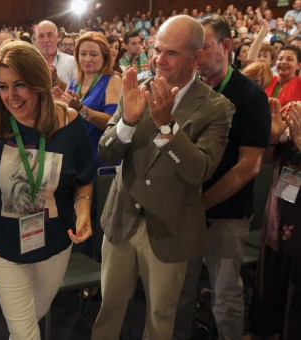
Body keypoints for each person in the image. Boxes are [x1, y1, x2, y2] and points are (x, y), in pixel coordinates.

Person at [92, 15, 235, 339]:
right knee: (109, 309)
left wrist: (168, 127)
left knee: (160, 318)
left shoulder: (217, 108)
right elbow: (106, 152)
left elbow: (200, 170)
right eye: (157, 49)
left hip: (170, 229)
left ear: (196, 57)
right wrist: (127, 121)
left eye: (171, 53)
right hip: (122, 220)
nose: (158, 59)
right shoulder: (137, 90)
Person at [0, 40, 95, 339]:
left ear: (38, 81)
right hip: (3, 246)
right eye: (2, 87)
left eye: (20, 84)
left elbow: (83, 179)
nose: (11, 96)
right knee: (27, 334)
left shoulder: (69, 122)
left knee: (30, 318)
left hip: (54, 244)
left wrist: (84, 210)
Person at [173, 15, 271, 340]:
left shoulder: (250, 96)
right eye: (193, 49)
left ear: (226, 46)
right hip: (186, 210)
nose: (195, 56)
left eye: (203, 47)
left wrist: (200, 204)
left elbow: (248, 167)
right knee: (180, 294)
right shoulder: (187, 91)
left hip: (227, 214)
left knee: (226, 296)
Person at [249, 99, 301, 340]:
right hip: (279, 215)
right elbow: (270, 159)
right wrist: (272, 134)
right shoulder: (295, 110)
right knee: (269, 303)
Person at [52, 31, 122, 166]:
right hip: (76, 158)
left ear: (104, 56)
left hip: (100, 160)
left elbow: (114, 124)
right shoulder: (73, 83)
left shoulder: (112, 80)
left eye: (93, 54)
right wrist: (57, 106)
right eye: (83, 54)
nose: (87, 59)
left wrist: (80, 109)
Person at [32, 20, 77, 89]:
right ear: (35, 39)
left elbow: (77, 92)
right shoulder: (30, 62)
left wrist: (57, 81)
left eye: (50, 35)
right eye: (41, 36)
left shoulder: (72, 61)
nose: (46, 40)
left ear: (57, 36)